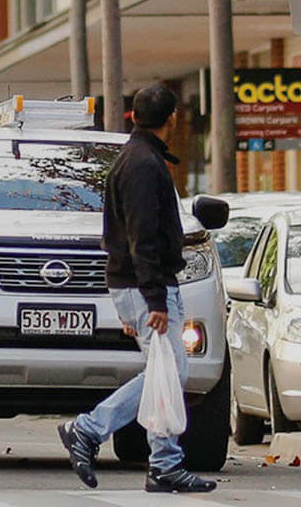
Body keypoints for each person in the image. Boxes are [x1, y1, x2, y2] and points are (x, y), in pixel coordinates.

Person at [59, 85, 216, 494]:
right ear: (173, 118)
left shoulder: (134, 160)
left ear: (132, 117)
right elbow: (142, 238)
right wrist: (154, 300)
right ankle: (92, 430)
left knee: (165, 371)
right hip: (147, 285)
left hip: (135, 285)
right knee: (170, 370)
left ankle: (161, 462)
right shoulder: (144, 165)